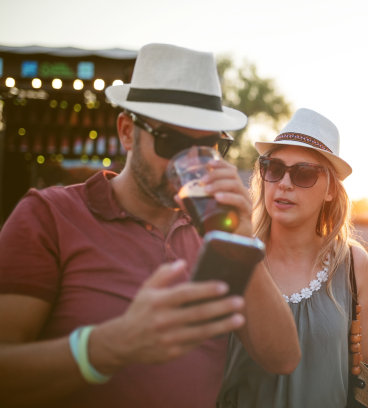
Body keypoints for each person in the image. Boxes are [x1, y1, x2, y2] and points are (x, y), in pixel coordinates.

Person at [0, 43, 300, 408]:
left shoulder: (216, 231)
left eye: (205, 145)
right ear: (127, 132)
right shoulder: (49, 215)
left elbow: (282, 358)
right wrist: (111, 344)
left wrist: (240, 241)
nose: (187, 160)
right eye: (171, 140)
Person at [216, 108, 368, 407]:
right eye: (274, 168)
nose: (284, 183)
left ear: (331, 189)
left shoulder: (352, 264)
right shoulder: (232, 255)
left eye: (304, 173)